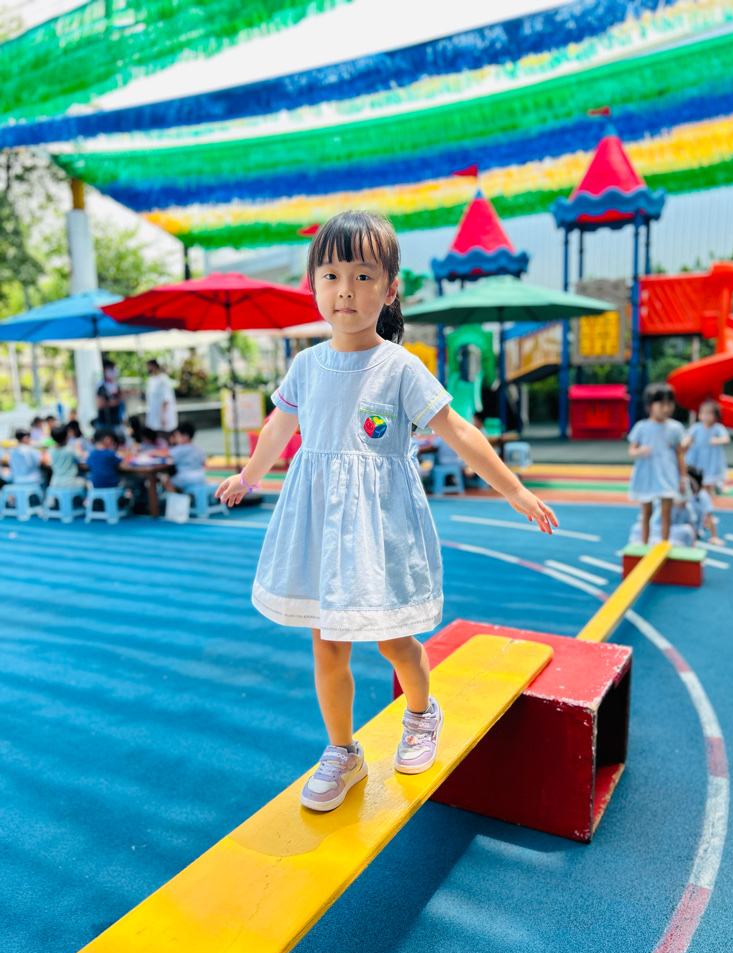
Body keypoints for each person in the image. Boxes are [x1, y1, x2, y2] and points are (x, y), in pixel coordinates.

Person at [215, 210, 558, 813]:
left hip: (380, 529)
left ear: (390, 287)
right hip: (321, 527)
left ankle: (422, 713)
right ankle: (342, 752)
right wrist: (248, 476)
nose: (345, 290)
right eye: (331, 275)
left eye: (363, 275)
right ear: (314, 284)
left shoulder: (400, 367)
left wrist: (515, 490)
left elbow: (459, 430)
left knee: (395, 641)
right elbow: (278, 427)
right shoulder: (306, 365)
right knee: (327, 645)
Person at [627, 382, 686, 544]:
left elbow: (679, 454)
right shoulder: (641, 427)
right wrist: (639, 451)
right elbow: (631, 450)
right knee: (646, 512)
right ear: (649, 406)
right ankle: (644, 544)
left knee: (666, 513)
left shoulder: (676, 428)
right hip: (647, 474)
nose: (666, 408)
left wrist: (683, 477)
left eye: (669, 403)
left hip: (668, 474)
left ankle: (664, 544)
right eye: (661, 404)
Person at [684, 400, 730, 494]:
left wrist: (717, 440)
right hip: (697, 458)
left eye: (709, 413)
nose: (706, 416)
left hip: (711, 458)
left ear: (715, 416)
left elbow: (726, 439)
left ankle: (714, 488)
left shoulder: (717, 428)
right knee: (695, 479)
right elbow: (687, 439)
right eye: (703, 413)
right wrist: (684, 444)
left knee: (708, 480)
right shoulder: (696, 427)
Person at [165, 422, 207, 492]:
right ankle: (184, 495)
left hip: (186, 478)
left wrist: (151, 452)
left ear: (185, 436)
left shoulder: (181, 448)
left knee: (168, 480)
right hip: (201, 477)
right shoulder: (197, 448)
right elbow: (203, 462)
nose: (176, 439)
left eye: (177, 436)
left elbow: (166, 454)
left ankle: (174, 497)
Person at [687, 465, 723, 544]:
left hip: (693, 529)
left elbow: (709, 515)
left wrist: (714, 537)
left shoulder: (702, 496)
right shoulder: (684, 492)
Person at [145, 359, 178, 436]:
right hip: (153, 412)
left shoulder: (163, 379)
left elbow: (166, 398)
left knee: (164, 433)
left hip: (162, 414)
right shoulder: (151, 379)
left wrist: (163, 415)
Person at [94, 359, 124, 430]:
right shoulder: (101, 387)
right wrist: (113, 402)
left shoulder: (116, 387)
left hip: (116, 422)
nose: (113, 372)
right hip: (104, 424)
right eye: (110, 369)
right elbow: (100, 404)